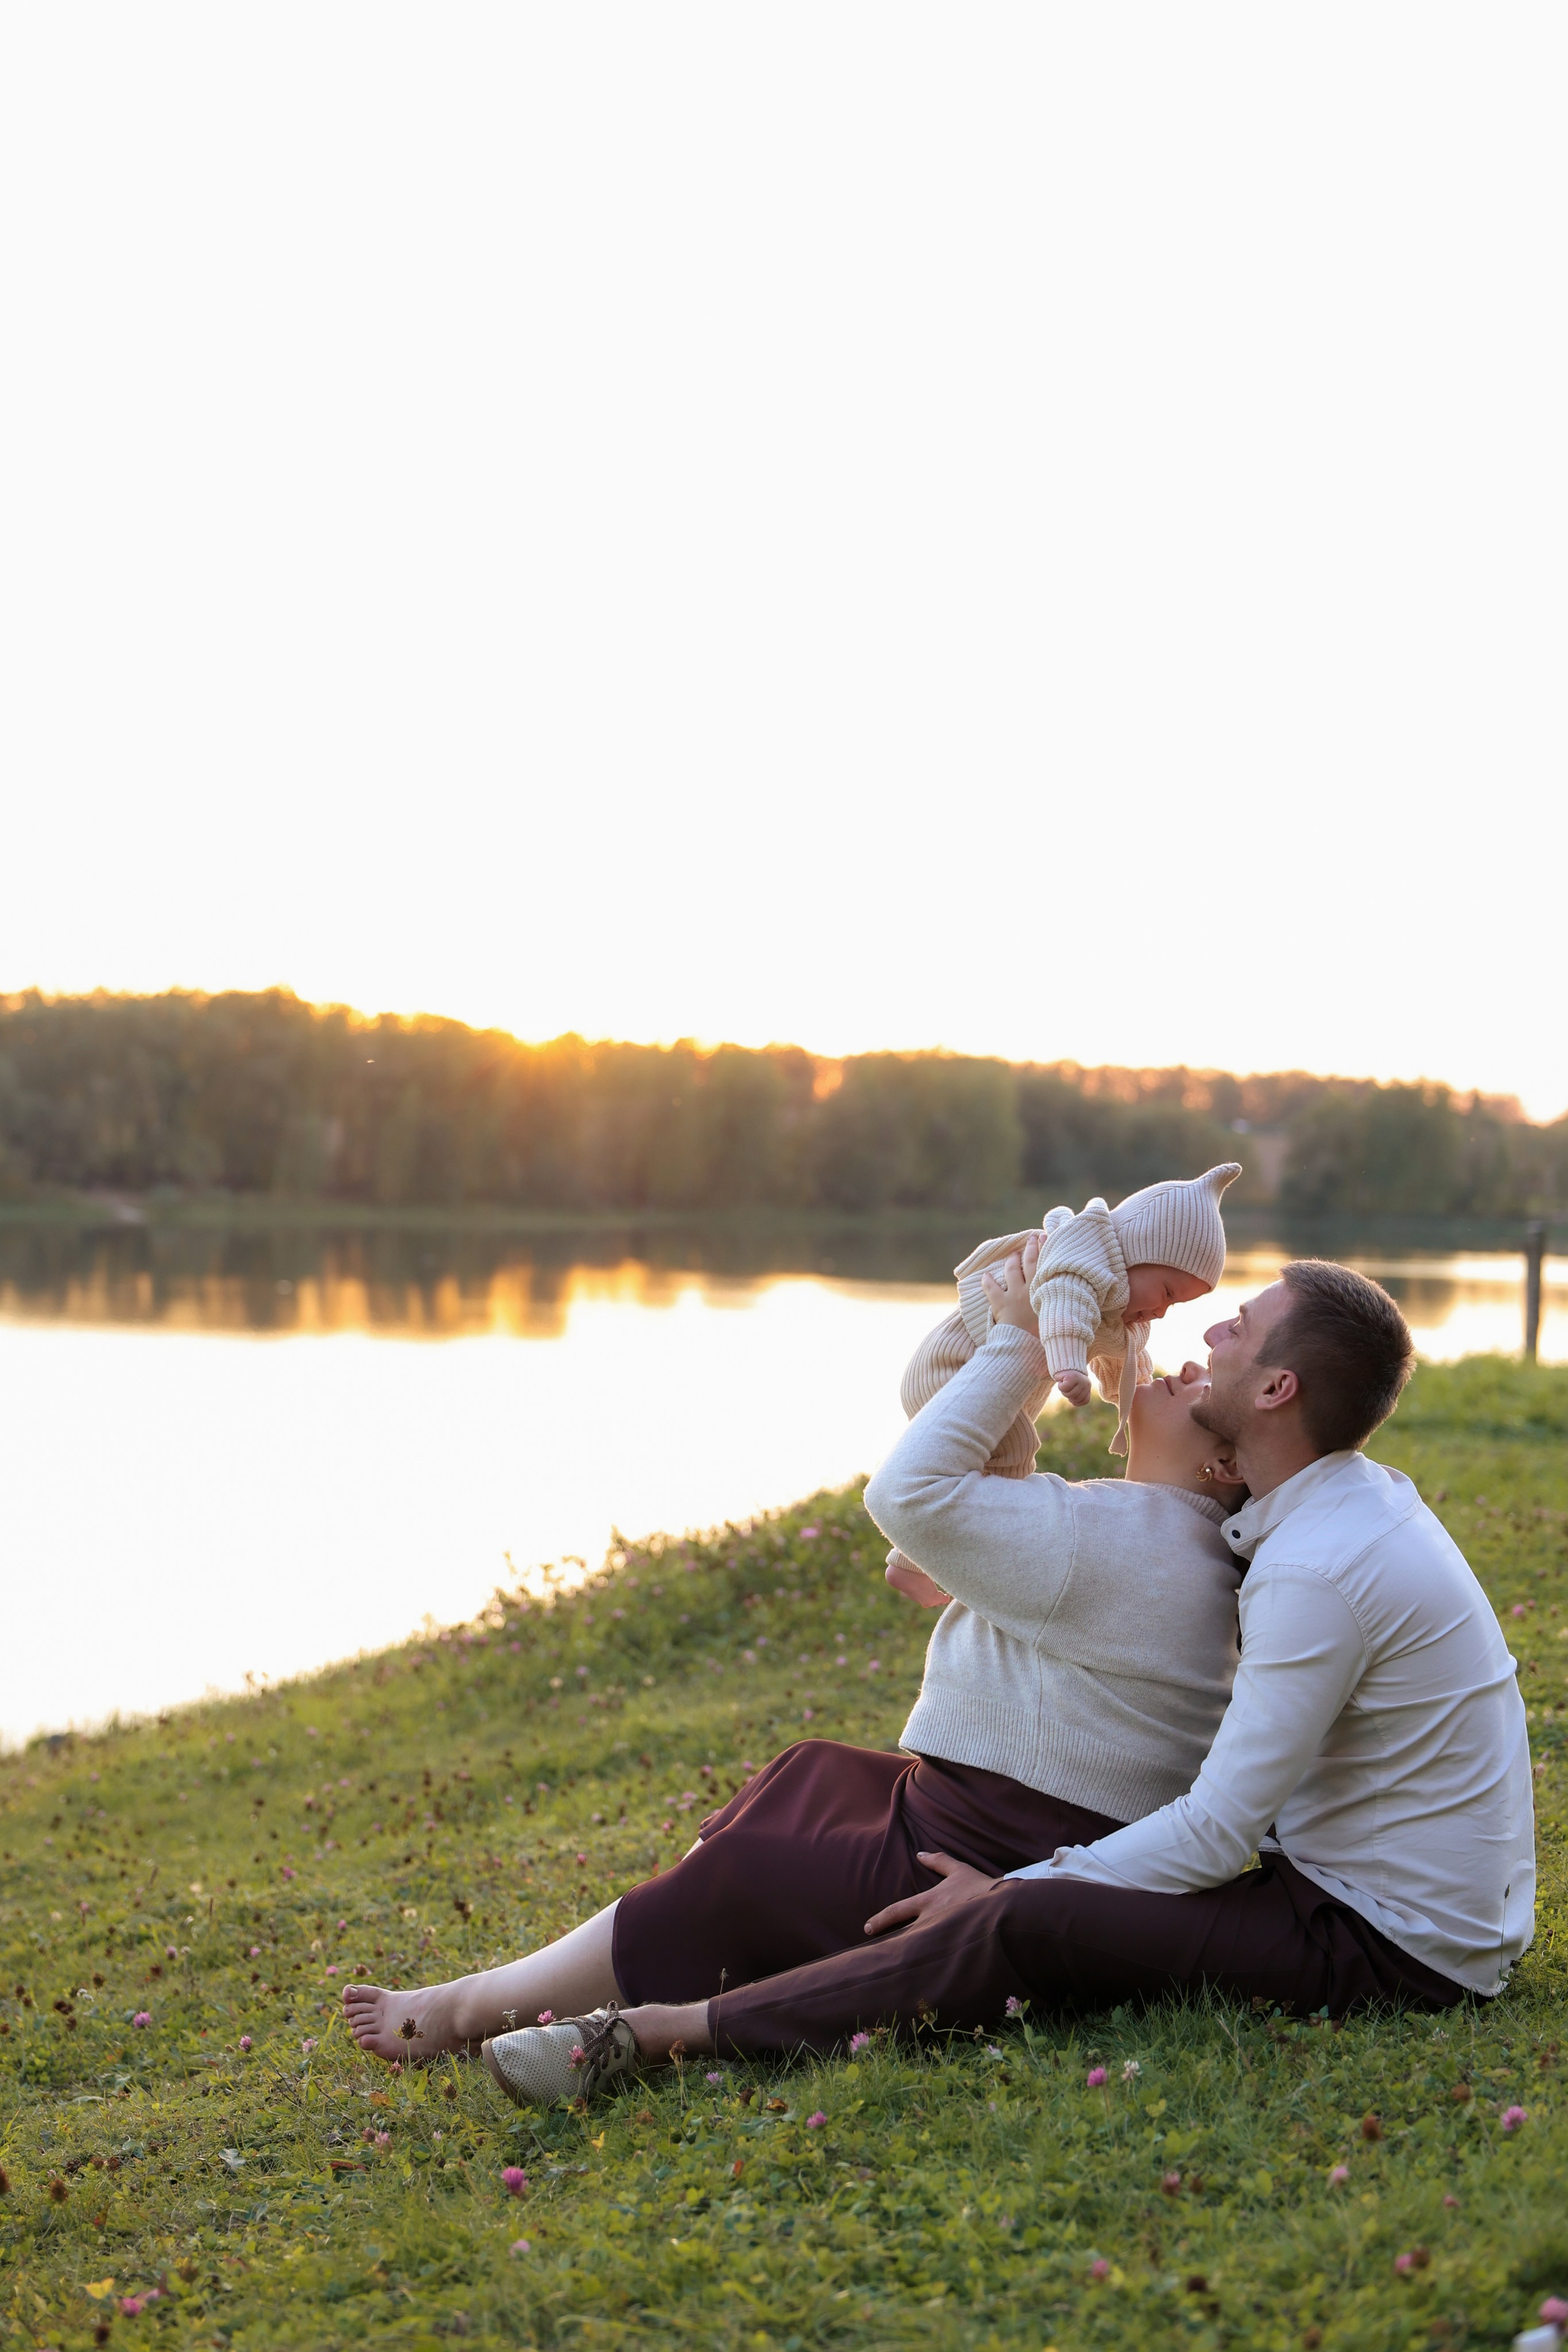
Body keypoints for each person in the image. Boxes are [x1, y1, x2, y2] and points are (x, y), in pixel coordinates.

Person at [487, 1255, 1536, 2098]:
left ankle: (672, 2033)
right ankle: (709, 1962)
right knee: (845, 1788)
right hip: (1362, 1892)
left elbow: (1219, 1831)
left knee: (1029, 1922)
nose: (1210, 1334)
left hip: (1386, 1945)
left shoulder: (1317, 1567)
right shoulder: (1330, 1510)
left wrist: (1014, 1885)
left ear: (1274, 1388)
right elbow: (1154, 1583)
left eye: (1239, 1328)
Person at [341, 1232, 1248, 2085]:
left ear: (1221, 1468)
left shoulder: (1125, 1535)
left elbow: (910, 1492)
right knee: (811, 1777)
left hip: (984, 1852)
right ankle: (630, 1954)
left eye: (1210, 1385)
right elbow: (1075, 1612)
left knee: (754, 1872)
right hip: (1012, 1822)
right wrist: (975, 1575)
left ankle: (467, 2011)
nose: (1192, 1363)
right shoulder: (1167, 1541)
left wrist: (1016, 1341)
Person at [888, 1159, 1240, 1605]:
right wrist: (1071, 1367)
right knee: (1012, 1461)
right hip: (951, 1372)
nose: (1163, 1311)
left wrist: (1132, 1390)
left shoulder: (1119, 1310)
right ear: (1139, 1249)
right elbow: (1061, 1311)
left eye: (1177, 1305)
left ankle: (913, 1560)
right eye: (1168, 1292)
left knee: (990, 1468)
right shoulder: (1079, 1266)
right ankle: (926, 1562)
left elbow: (1122, 1352)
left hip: (981, 1381)